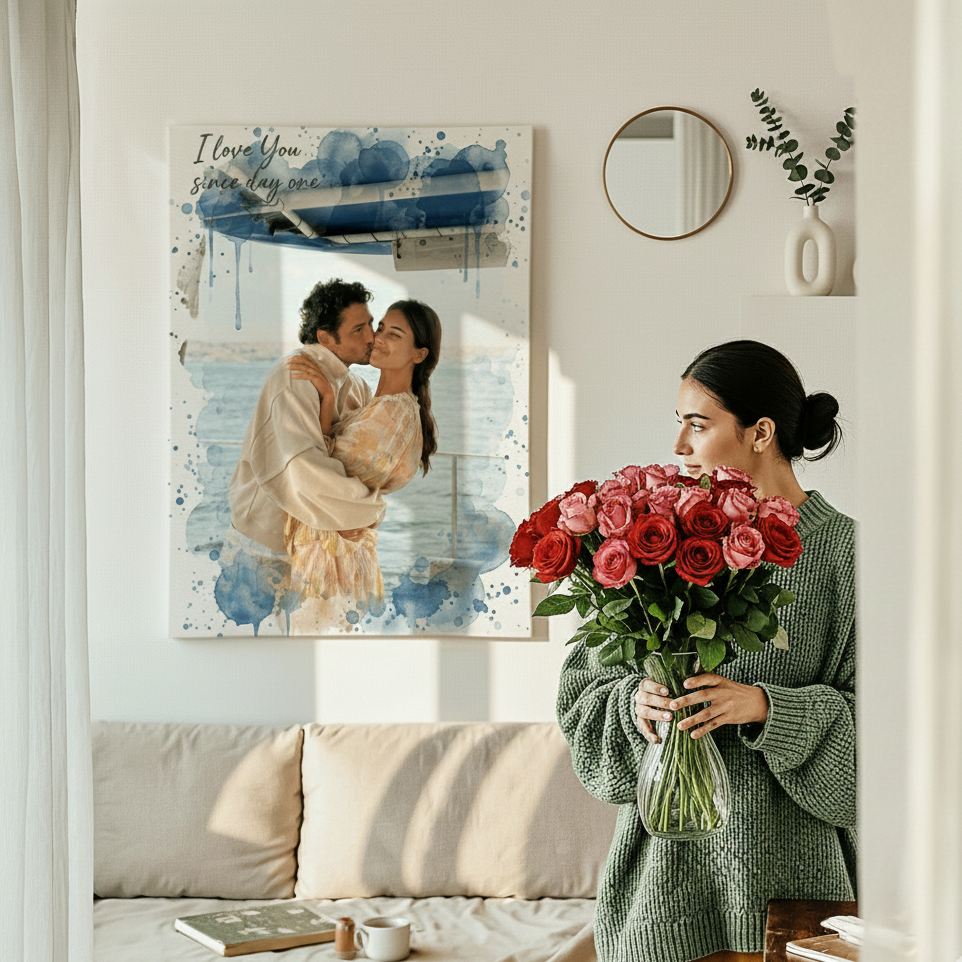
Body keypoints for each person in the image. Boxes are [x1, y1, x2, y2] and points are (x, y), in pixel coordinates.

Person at [557, 339, 856, 962]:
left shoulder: (845, 555)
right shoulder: (657, 536)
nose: (679, 447)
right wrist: (633, 704)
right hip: (661, 887)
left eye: (698, 424)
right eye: (680, 424)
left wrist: (771, 710)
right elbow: (581, 699)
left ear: (760, 432)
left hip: (795, 887)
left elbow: (891, 741)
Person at [215, 278, 387, 634]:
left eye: (370, 324)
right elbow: (306, 471)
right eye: (359, 328)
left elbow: (356, 456)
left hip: (312, 545)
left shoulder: (354, 385)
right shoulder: (296, 377)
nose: (372, 336)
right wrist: (371, 508)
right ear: (325, 338)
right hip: (266, 546)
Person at [283, 298, 441, 633]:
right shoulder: (378, 404)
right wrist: (328, 398)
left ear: (419, 354)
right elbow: (330, 464)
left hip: (331, 552)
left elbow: (321, 468)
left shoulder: (395, 414)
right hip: (330, 541)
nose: (378, 338)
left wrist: (326, 399)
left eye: (394, 334)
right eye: (380, 327)